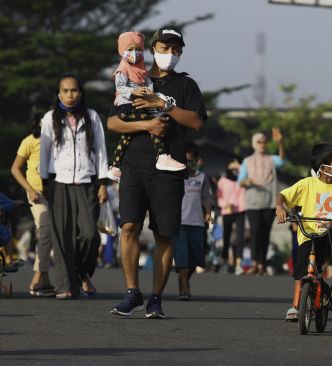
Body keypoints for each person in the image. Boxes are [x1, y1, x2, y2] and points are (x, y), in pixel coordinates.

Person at [108, 25, 206, 319]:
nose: (170, 54)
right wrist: (147, 125)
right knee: (128, 227)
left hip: (169, 168)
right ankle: (131, 292)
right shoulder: (134, 75)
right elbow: (113, 123)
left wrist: (163, 104)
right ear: (152, 49)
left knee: (165, 234)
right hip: (134, 165)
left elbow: (196, 122)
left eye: (176, 50)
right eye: (164, 48)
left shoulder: (186, 86)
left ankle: (155, 298)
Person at [40, 74, 109, 299]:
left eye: (74, 90)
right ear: (59, 93)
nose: (70, 95)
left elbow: (100, 151)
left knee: (90, 234)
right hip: (59, 181)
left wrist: (102, 183)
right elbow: (45, 152)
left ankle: (81, 272)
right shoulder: (50, 118)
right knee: (62, 237)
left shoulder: (91, 117)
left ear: (81, 93)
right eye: (65, 91)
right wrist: (44, 181)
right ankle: (65, 286)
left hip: (87, 182)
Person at [276, 142, 332, 321]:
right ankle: (295, 305)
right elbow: (283, 195)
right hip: (308, 234)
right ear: (323, 168)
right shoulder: (307, 184)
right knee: (301, 267)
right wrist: (280, 207)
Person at [106, 31, 184, 181]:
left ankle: (115, 167)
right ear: (122, 51)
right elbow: (120, 88)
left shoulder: (141, 69)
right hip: (126, 107)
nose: (134, 53)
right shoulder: (122, 70)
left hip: (137, 105)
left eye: (138, 49)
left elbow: (148, 83)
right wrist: (134, 91)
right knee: (155, 123)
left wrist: (150, 93)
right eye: (129, 49)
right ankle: (162, 155)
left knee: (127, 136)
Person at [10, 104, 56, 296]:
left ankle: (45, 280)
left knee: (53, 235)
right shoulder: (29, 141)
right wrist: (29, 190)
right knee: (45, 231)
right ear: (38, 122)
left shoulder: (59, 142)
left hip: (57, 194)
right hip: (37, 195)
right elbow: (15, 169)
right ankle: (37, 277)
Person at [238, 129, 285, 275]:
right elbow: (240, 181)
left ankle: (262, 263)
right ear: (254, 144)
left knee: (265, 233)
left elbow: (282, 160)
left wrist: (280, 143)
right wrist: (248, 181)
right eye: (259, 141)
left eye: (264, 141)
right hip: (253, 202)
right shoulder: (247, 161)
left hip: (270, 201)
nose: (262, 144)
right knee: (255, 231)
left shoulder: (271, 159)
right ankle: (254, 262)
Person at [174, 142, 213, 300]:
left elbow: (206, 198)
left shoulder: (202, 177)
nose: (188, 164)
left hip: (197, 222)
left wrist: (209, 212)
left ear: (197, 161)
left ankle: (184, 279)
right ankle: (184, 288)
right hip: (180, 222)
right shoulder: (176, 176)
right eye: (185, 161)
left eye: (191, 161)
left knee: (196, 257)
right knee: (182, 255)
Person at [217, 159, 247, 274]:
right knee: (226, 237)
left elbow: (244, 171)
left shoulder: (241, 179)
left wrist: (239, 166)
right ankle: (224, 261)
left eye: (236, 166)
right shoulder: (222, 180)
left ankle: (239, 264)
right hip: (227, 211)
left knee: (240, 237)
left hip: (240, 210)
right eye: (232, 165)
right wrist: (225, 204)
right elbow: (219, 197)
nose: (234, 168)